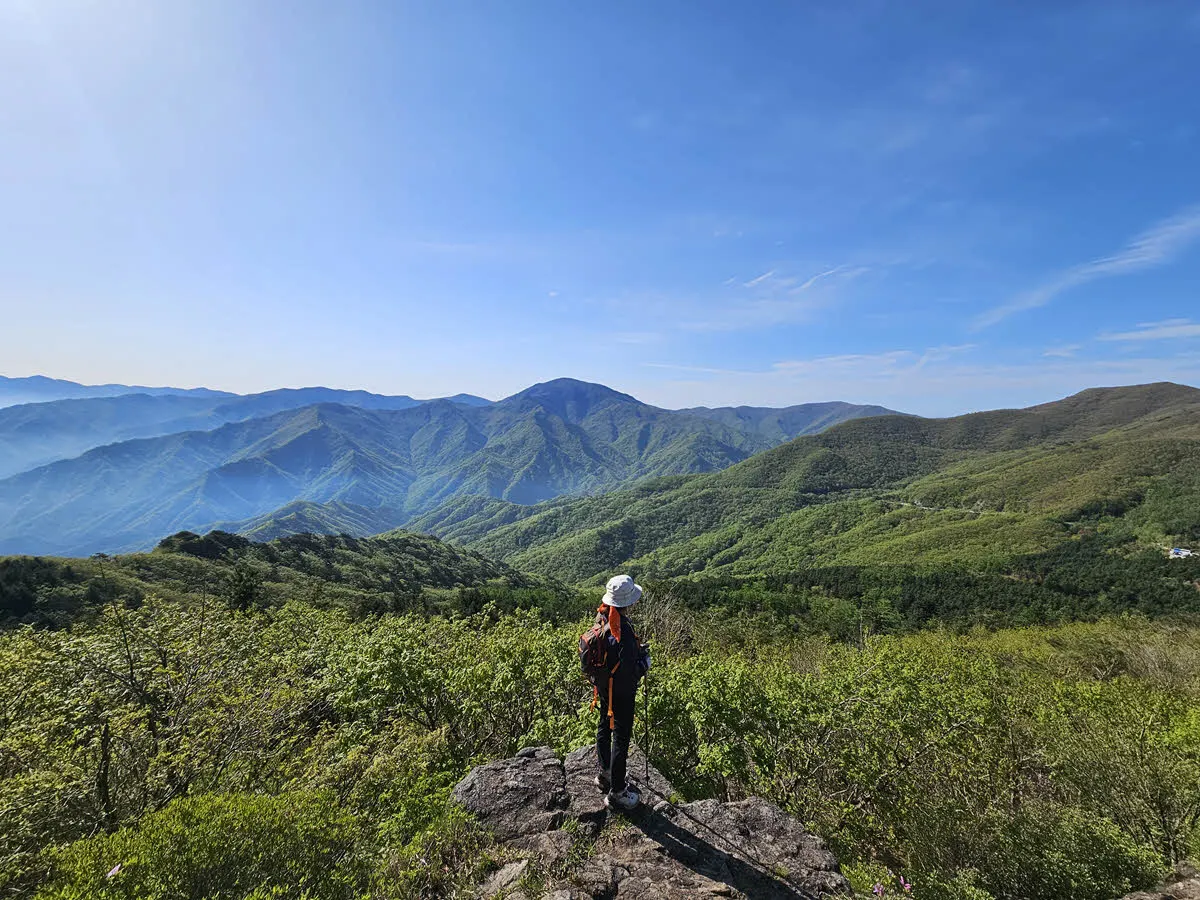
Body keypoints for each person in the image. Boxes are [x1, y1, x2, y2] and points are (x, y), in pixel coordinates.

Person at [593, 573, 651, 811]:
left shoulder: (601, 616)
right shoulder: (623, 630)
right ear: (627, 602)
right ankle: (617, 791)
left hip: (604, 687)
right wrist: (644, 663)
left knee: (604, 726)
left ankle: (605, 774)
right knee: (621, 736)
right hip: (622, 693)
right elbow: (630, 671)